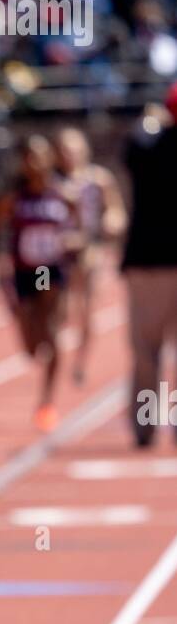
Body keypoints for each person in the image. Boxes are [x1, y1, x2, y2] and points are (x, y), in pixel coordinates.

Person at [0, 134, 82, 432]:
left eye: (40, 156)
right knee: (32, 344)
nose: (34, 162)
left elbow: (81, 230)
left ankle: (47, 400)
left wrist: (73, 242)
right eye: (29, 156)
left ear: (50, 160)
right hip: (25, 272)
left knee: (52, 330)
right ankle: (37, 336)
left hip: (51, 271)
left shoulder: (64, 195)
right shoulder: (14, 199)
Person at [120, 87, 177, 447]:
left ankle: (145, 427)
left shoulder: (148, 146)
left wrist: (150, 121)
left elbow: (131, 151)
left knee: (146, 351)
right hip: (155, 260)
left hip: (148, 262)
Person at [55, 127, 127, 384]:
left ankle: (80, 361)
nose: (69, 155)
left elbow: (116, 211)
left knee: (86, 309)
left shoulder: (98, 179)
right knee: (53, 306)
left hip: (88, 250)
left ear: (84, 150)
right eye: (63, 150)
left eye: (73, 150)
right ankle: (49, 349)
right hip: (52, 259)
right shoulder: (50, 180)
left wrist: (111, 223)